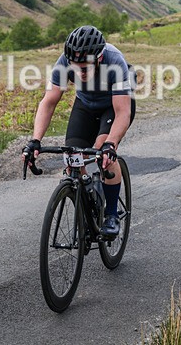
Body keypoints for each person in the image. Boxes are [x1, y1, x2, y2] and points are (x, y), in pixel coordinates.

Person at [22, 25, 135, 237]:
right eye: (76, 67)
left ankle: (110, 214)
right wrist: (35, 140)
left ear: (99, 58)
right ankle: (87, 199)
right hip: (85, 105)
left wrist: (111, 144)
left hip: (113, 107)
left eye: (85, 68)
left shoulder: (115, 61)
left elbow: (122, 113)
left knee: (104, 155)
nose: (80, 72)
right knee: (72, 157)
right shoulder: (64, 62)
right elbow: (48, 102)